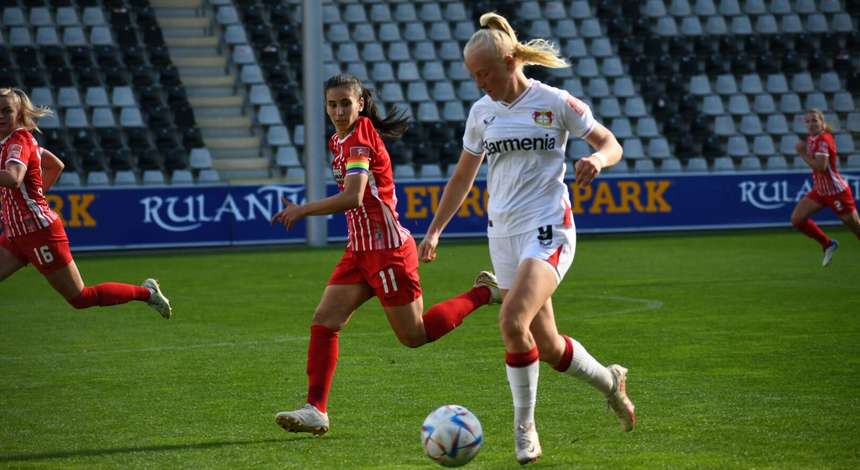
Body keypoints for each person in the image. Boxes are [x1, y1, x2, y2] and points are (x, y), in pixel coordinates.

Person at [416, 13, 635, 465]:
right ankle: (611, 382)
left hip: (549, 228)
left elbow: (611, 142)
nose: (480, 83)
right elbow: (463, 176)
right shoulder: (482, 113)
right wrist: (436, 228)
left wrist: (597, 159)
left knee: (513, 321)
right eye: (473, 75)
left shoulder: (555, 103)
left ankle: (524, 429)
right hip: (504, 235)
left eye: (485, 73)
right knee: (549, 344)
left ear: (511, 60)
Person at [271, 74, 499, 436]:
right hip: (359, 250)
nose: (339, 110)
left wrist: (303, 210)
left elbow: (354, 196)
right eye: (332, 104)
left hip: (387, 251)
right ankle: (316, 408)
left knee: (414, 335)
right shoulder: (338, 139)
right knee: (325, 320)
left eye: (346, 103)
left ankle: (484, 292)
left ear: (360, 103)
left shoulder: (360, 137)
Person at [0, 87, 172, 318]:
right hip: (16, 232)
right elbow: (55, 165)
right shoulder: (10, 141)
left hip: (38, 233)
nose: (1, 116)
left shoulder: (17, 141)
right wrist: (31, 198)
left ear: (19, 113)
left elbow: (12, 178)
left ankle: (147, 292)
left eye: (6, 110)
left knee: (81, 298)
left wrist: (29, 203)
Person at [791, 109, 860, 267]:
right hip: (821, 191)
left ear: (822, 122)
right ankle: (828, 244)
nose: (811, 124)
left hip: (837, 192)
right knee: (797, 220)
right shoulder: (812, 138)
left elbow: (821, 167)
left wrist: (802, 154)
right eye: (807, 121)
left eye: (814, 120)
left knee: (856, 228)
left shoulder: (823, 139)